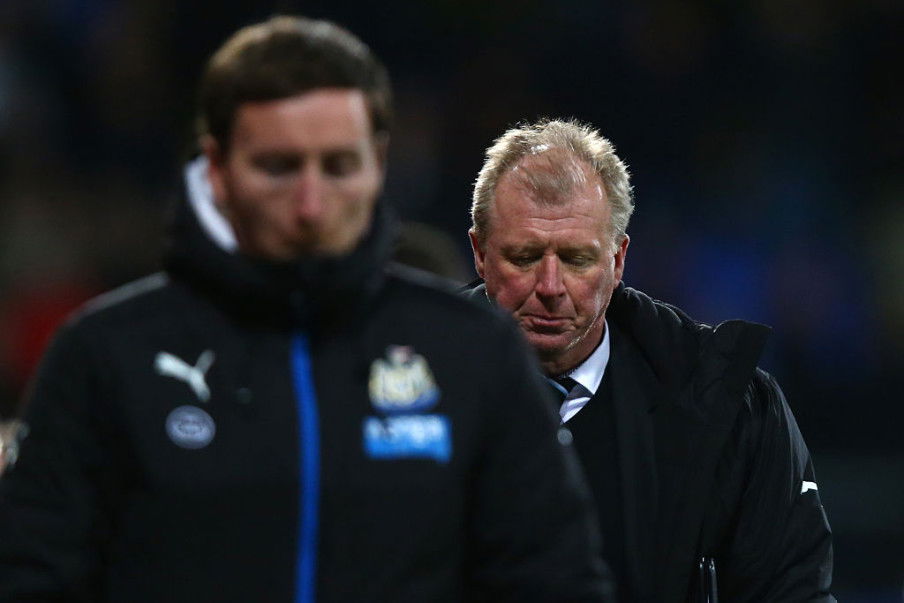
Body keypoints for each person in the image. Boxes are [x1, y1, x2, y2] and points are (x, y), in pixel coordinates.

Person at [0, 20, 615, 602]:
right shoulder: (108, 355)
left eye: (339, 165)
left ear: (377, 165)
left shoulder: (469, 352)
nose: (312, 202)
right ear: (217, 171)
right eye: (279, 166)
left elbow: (553, 581)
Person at [464, 118, 835, 602]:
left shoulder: (734, 408)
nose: (550, 287)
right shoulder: (397, 394)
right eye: (525, 257)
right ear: (480, 253)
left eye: (576, 259)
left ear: (618, 261)